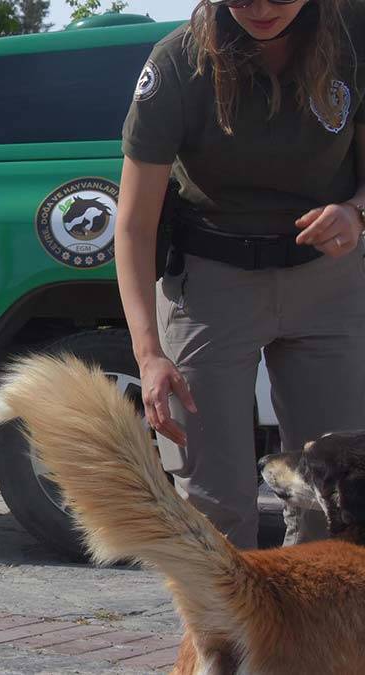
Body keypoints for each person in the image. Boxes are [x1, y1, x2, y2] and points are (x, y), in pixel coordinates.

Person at [116, 0, 365, 549]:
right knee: (214, 509)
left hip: (327, 281)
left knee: (340, 502)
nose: (260, 9)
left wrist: (356, 211)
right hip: (210, 284)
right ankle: (224, 638)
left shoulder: (353, 37)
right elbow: (133, 225)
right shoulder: (178, 62)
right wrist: (148, 354)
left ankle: (316, 635)